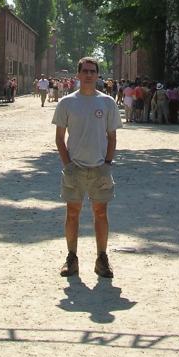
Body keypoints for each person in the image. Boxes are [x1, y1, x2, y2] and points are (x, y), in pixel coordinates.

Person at [53, 57, 122, 279]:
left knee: (100, 213)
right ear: (78, 74)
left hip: (100, 167)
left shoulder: (107, 102)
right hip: (75, 168)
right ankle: (71, 258)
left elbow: (112, 137)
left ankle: (102, 258)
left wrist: (108, 164)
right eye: (85, 71)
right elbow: (59, 139)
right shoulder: (67, 103)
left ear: (98, 74)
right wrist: (68, 165)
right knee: (72, 213)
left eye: (93, 71)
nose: (89, 75)